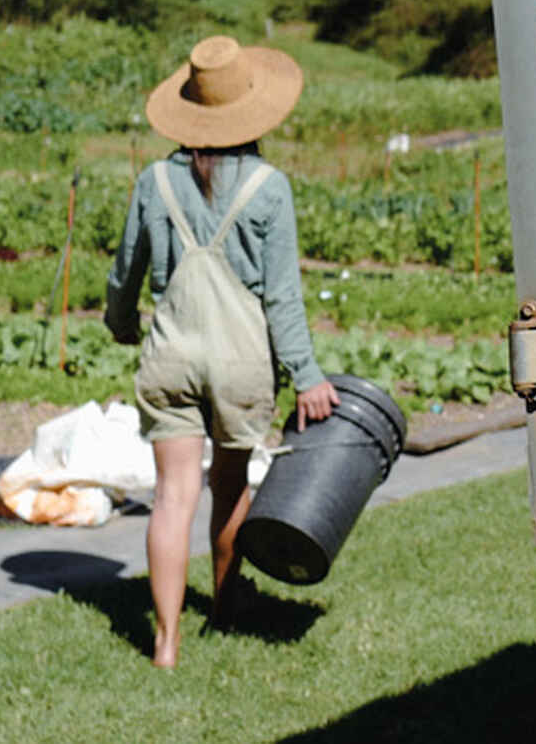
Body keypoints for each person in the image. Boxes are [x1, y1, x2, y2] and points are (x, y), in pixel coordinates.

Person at [105, 35, 338, 668]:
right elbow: (283, 297)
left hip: (170, 357)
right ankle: (227, 606)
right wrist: (308, 376)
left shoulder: (155, 181)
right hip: (240, 364)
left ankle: (166, 643)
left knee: (172, 495)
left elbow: (126, 272)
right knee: (229, 488)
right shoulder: (269, 187)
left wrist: (120, 322)